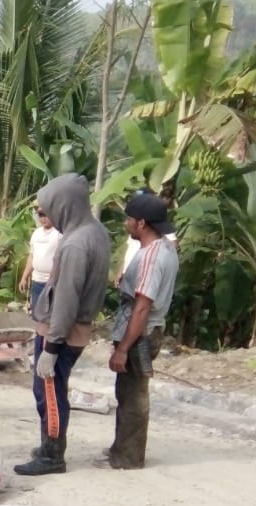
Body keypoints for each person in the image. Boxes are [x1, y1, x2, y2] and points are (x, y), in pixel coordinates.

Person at [12, 173, 112, 476]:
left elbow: (67, 298)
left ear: (64, 205)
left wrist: (52, 346)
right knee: (50, 390)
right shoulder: (94, 231)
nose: (46, 214)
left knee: (50, 393)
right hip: (70, 327)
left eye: (49, 207)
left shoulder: (76, 244)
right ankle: (49, 445)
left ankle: (53, 456)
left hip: (63, 331)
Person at [99, 194, 180, 470]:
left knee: (133, 395)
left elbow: (142, 306)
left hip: (140, 331)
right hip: (148, 327)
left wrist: (123, 348)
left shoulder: (151, 257)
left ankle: (128, 456)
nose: (126, 223)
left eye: (129, 219)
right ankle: (122, 447)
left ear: (142, 223)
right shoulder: (166, 249)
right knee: (128, 391)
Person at [18, 208, 61, 313]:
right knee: (36, 314)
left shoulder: (59, 234)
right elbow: (32, 256)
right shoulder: (36, 234)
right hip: (37, 280)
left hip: (53, 283)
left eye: (46, 214)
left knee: (51, 315)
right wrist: (24, 277)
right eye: (41, 215)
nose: (43, 218)